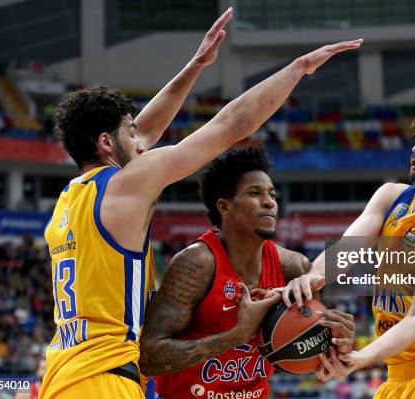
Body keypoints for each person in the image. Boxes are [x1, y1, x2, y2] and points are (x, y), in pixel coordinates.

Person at [40, 4, 363, 397]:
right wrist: (297, 69)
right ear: (107, 143)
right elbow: (232, 125)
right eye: (130, 132)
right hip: (105, 377)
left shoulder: (68, 202)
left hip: (61, 375)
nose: (141, 142)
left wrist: (195, 66)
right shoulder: (125, 185)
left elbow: (146, 131)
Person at [283, 111, 415, 398]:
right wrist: (313, 277)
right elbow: (345, 250)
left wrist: (360, 358)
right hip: (396, 378)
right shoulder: (391, 197)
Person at [139, 146, 356, 399]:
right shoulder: (195, 264)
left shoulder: (294, 267)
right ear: (224, 206)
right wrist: (237, 335)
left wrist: (337, 342)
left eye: (272, 194)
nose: (270, 202)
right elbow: (148, 357)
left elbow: (315, 360)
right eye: (255, 193)